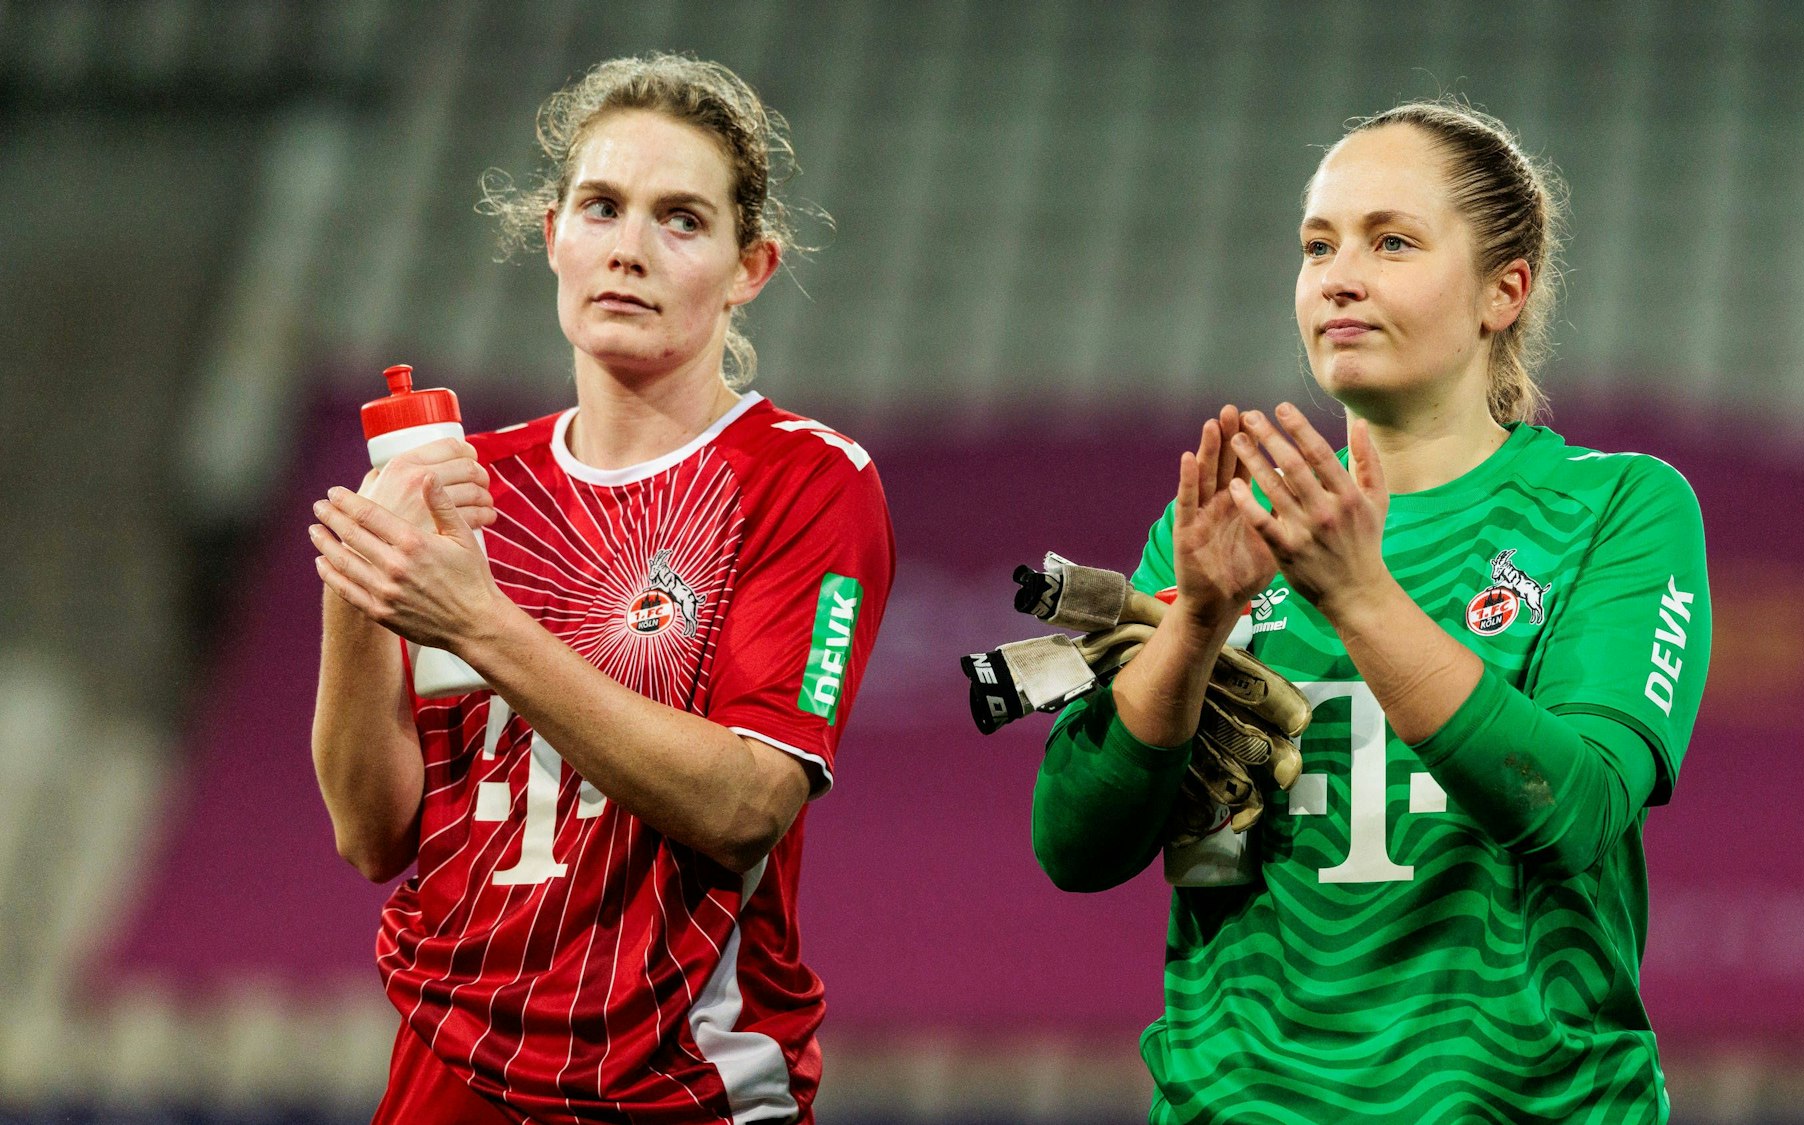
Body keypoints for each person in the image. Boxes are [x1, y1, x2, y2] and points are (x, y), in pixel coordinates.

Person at [1032, 100, 1710, 1123]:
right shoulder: (1215, 534)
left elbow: (1570, 811)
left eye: (1391, 242)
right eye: (1317, 246)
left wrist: (1355, 594)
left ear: (1501, 291)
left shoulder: (1616, 507)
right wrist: (1194, 624)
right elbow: (1075, 851)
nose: (1338, 276)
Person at [308, 52, 893, 1125]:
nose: (628, 249)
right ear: (552, 237)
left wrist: (477, 622)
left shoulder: (805, 481)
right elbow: (371, 838)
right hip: (443, 1081)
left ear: (748, 266)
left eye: (679, 219)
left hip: (680, 1088)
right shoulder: (467, 485)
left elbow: (745, 807)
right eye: (600, 207)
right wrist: (361, 589)